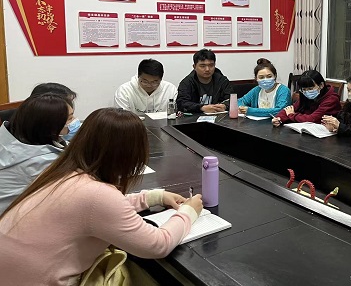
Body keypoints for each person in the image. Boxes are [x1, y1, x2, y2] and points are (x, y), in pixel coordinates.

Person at [0, 108, 204, 285]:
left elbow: (95, 210)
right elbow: (158, 245)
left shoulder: (61, 171)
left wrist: (153, 197)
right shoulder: (97, 195)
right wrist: (188, 212)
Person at [0, 94, 72, 214]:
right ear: (52, 126)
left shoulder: (10, 136)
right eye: (69, 118)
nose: (74, 121)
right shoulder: (44, 162)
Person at [272, 69, 341, 126]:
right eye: (304, 89)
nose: (307, 92)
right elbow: (291, 108)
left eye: (310, 88)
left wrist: (291, 115)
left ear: (321, 85)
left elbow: (312, 119)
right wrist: (279, 118)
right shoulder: (304, 95)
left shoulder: (332, 99)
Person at [177, 49, 234, 114]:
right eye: (202, 66)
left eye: (211, 65)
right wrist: (201, 108)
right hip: (195, 117)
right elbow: (182, 103)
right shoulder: (187, 83)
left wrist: (225, 106)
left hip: (219, 116)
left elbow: (232, 99)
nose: (207, 69)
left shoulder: (222, 80)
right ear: (194, 67)